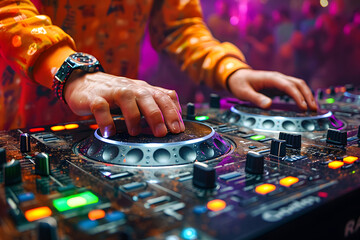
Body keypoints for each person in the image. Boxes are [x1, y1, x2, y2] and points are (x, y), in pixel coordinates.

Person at [0, 0, 317, 138]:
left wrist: (230, 70)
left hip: (121, 126)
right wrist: (74, 73)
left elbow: (179, 27)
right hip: (25, 123)